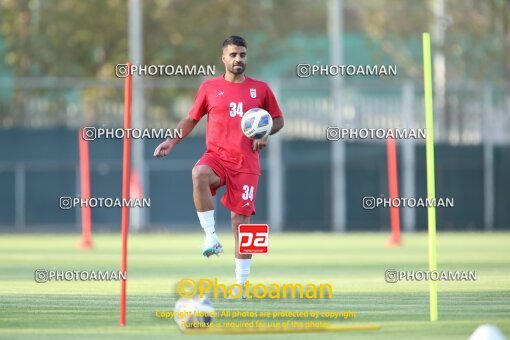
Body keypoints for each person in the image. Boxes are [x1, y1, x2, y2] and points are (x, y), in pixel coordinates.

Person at [153, 35, 284, 295]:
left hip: (246, 163)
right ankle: (210, 236)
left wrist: (264, 134)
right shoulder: (210, 87)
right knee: (199, 173)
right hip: (218, 157)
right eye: (233, 55)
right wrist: (172, 141)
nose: (238, 59)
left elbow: (278, 120)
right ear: (223, 58)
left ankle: (242, 285)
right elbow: (191, 119)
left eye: (242, 55)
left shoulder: (261, 89)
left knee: (242, 224)